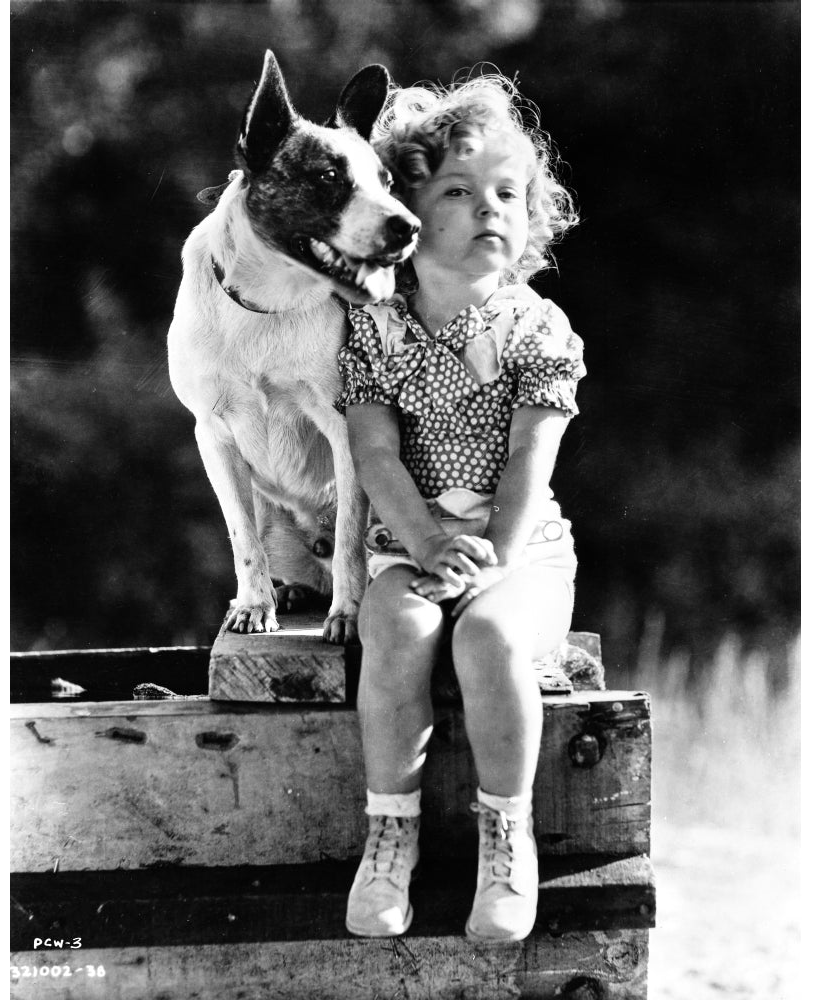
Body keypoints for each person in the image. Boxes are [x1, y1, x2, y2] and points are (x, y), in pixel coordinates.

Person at [335, 72, 585, 943]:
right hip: (411, 541)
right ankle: (389, 834)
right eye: (458, 191)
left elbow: (530, 455)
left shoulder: (535, 328)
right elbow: (373, 453)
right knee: (394, 627)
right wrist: (428, 545)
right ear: (406, 210)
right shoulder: (376, 328)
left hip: (521, 548)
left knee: (490, 635)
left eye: (508, 193)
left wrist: (494, 558)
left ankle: (506, 835)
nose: (491, 209)